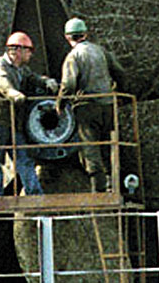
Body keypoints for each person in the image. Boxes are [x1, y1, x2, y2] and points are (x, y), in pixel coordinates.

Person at [0, 31, 59, 197]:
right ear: (17, 50)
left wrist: (47, 82)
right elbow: (1, 83)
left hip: (14, 122)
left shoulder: (20, 69)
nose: (31, 54)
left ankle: (35, 194)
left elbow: (32, 77)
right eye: (28, 50)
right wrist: (13, 94)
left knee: (23, 160)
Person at [56, 18, 126, 192]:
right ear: (85, 34)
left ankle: (99, 189)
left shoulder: (73, 56)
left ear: (67, 37)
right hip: (108, 105)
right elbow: (120, 72)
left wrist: (60, 103)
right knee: (109, 145)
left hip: (87, 107)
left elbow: (69, 84)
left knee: (90, 148)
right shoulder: (100, 51)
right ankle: (113, 184)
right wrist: (119, 93)